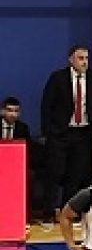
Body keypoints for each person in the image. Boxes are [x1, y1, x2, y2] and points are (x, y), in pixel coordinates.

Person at [41, 45, 92, 219]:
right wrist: (49, 131)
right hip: (60, 133)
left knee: (75, 175)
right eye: (80, 58)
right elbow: (47, 105)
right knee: (54, 173)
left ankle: (67, 212)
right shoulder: (58, 78)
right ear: (71, 59)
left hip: (83, 133)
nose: (84, 62)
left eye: (86, 58)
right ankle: (48, 213)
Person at [1, 96, 43, 224]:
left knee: (29, 176)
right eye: (9, 110)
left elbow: (27, 150)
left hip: (16, 166)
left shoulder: (22, 128)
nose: (13, 114)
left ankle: (25, 217)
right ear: (2, 111)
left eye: (16, 111)